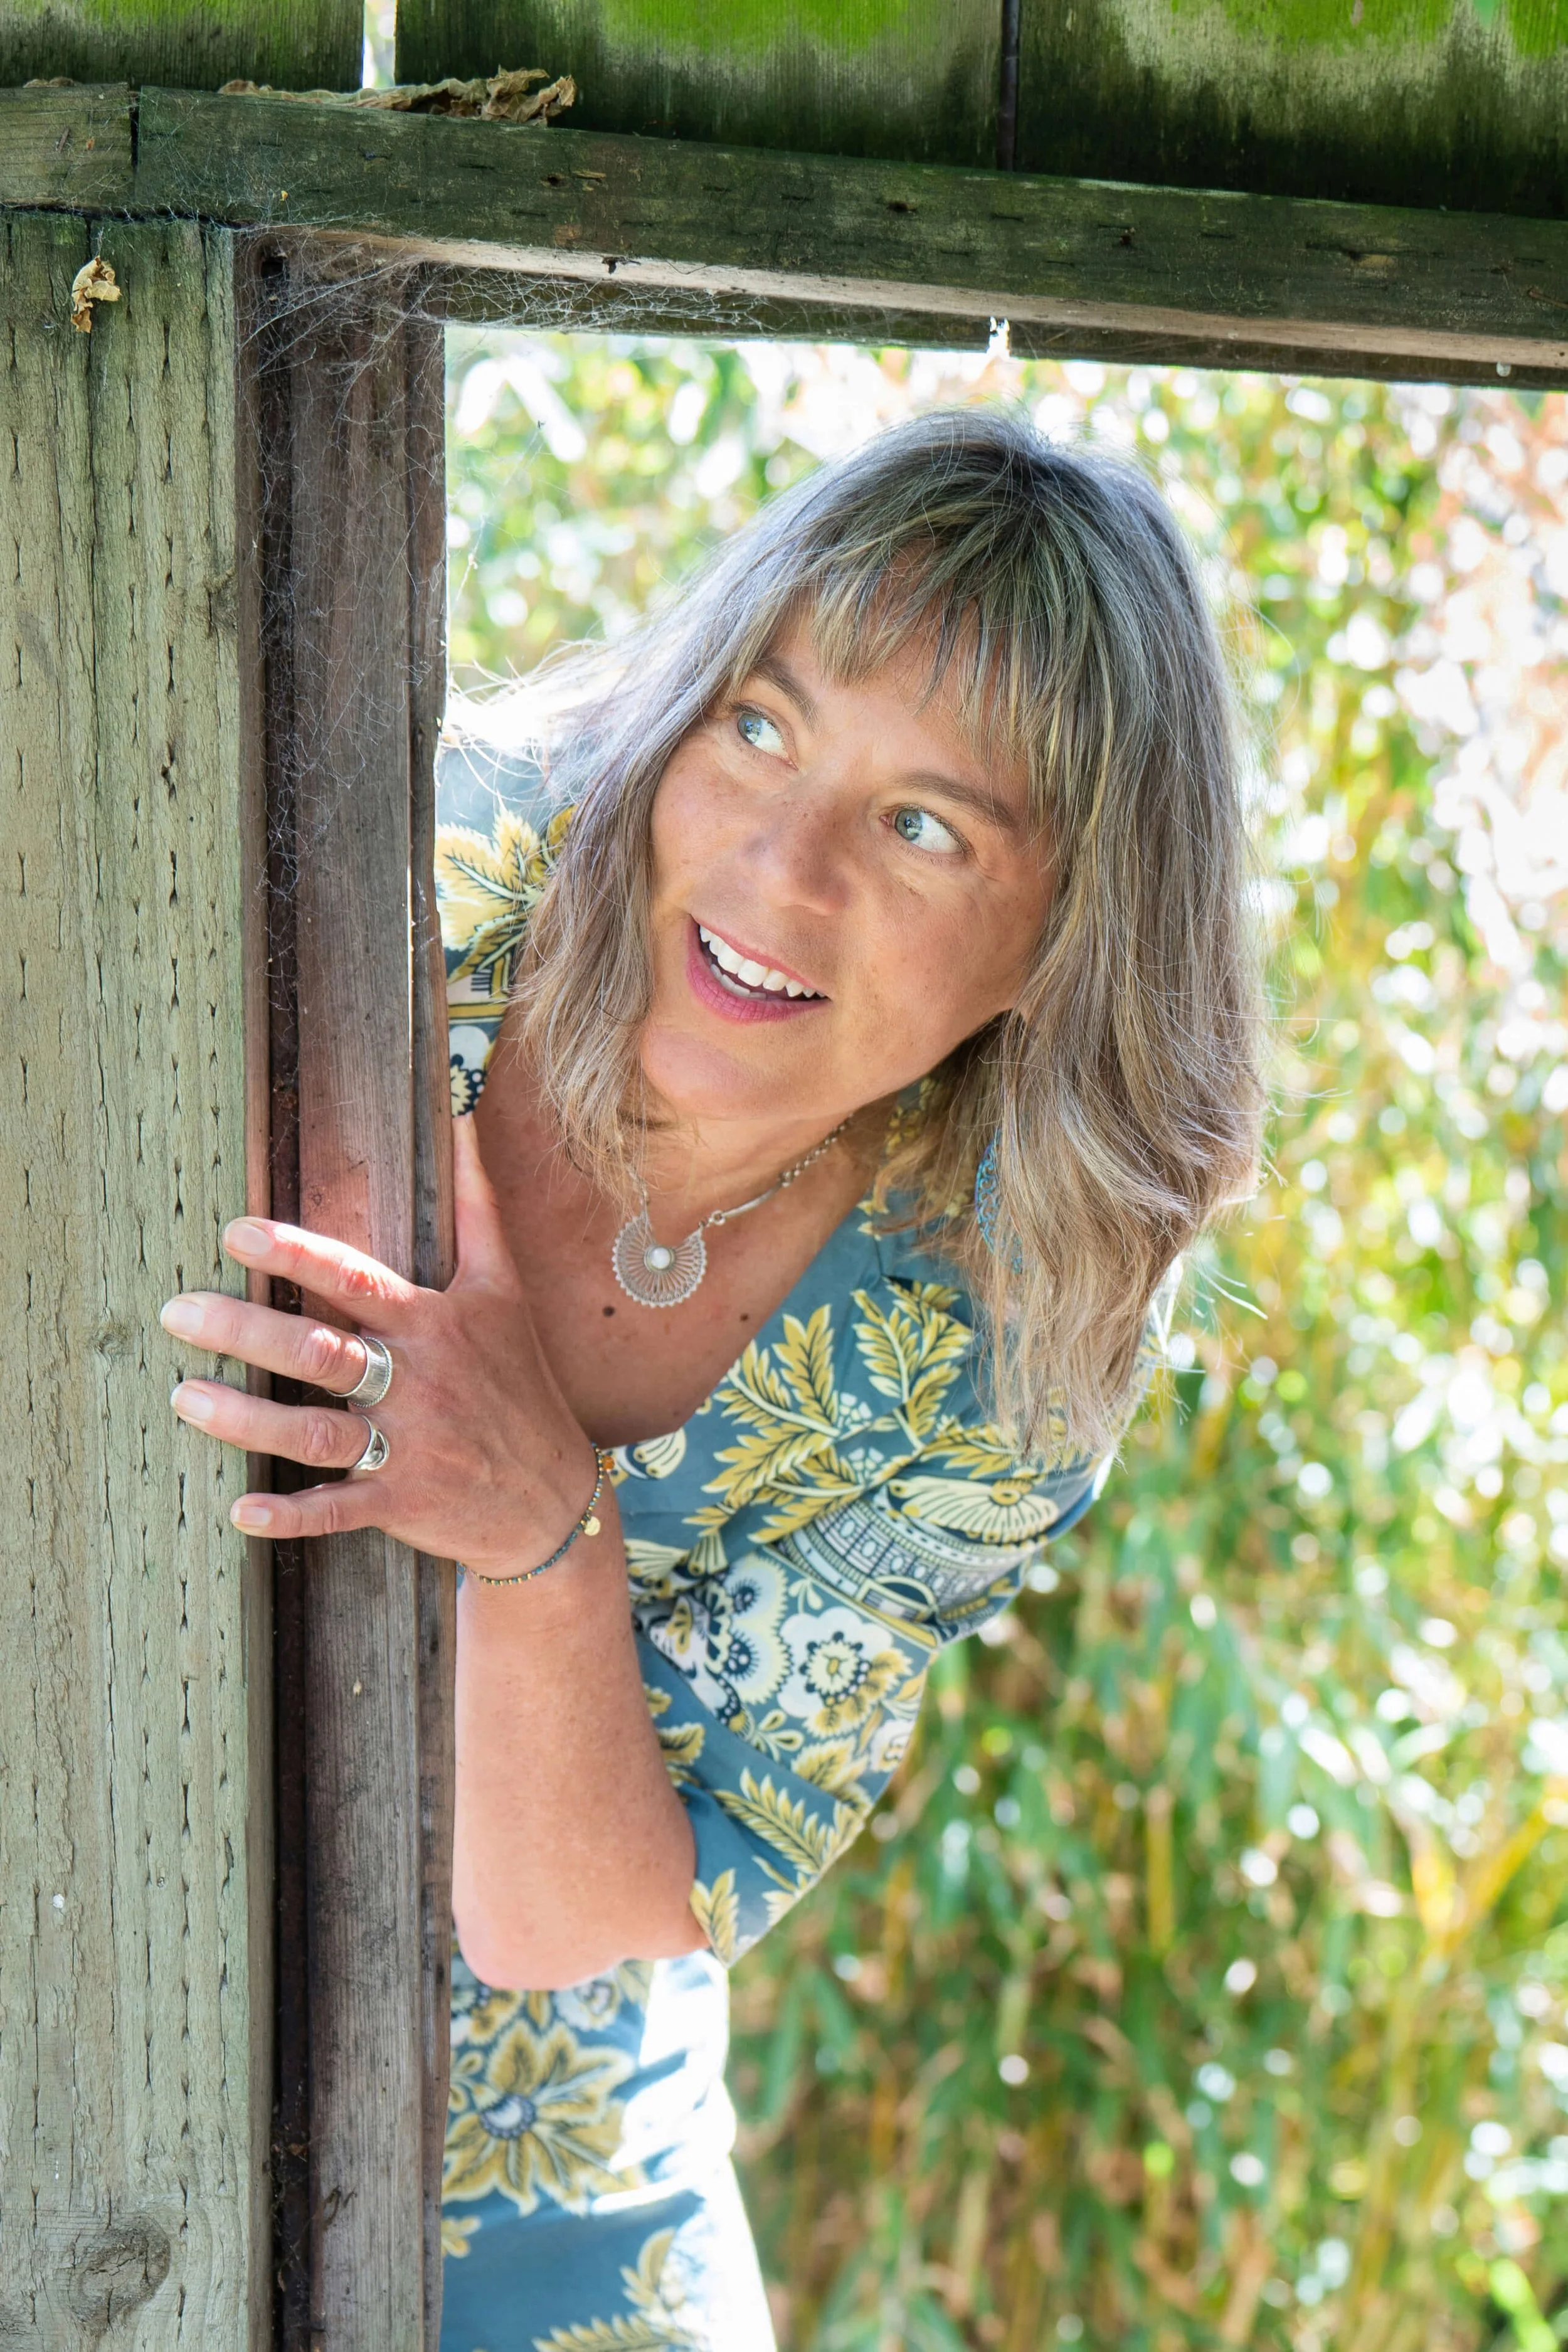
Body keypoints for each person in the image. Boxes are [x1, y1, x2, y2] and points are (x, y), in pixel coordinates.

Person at [162, 408, 1262, 2348]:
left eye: (926, 824)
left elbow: (573, 1916)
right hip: (90, 1951)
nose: (778, 866)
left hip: (524, 2164)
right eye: (759, 725)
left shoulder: (1002, 1335)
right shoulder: (423, 860)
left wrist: (539, 1527)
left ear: (1064, 934)